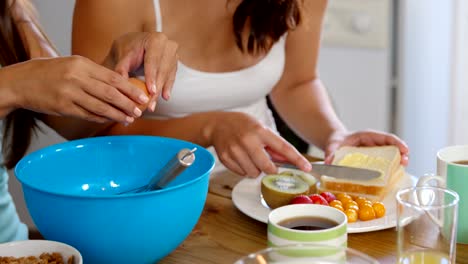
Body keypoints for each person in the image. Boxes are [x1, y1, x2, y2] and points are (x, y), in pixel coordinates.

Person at [73, 0, 409, 178]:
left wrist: (335, 136)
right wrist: (210, 127)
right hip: (150, 192)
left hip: (255, 191)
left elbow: (296, 82)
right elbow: (94, 132)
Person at [0, 0, 178, 242]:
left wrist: (111, 76)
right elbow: (26, 82)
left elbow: (70, 124)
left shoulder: (10, 9)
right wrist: (14, 85)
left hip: (11, 245)